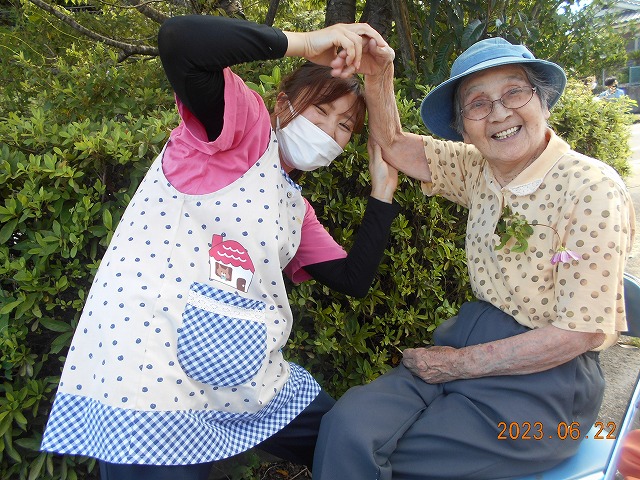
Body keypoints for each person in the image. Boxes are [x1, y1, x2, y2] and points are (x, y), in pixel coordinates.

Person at [40, 14, 398, 480]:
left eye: (345, 125)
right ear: (283, 103)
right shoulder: (243, 129)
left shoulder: (295, 208)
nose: (330, 130)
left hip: (239, 370)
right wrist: (308, 42)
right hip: (154, 374)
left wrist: (382, 191)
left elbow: (352, 278)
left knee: (342, 434)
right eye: (321, 110)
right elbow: (180, 40)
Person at [313, 37, 636, 479]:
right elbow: (394, 144)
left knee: (399, 459)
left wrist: (456, 365)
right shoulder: (479, 168)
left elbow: (578, 334)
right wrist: (379, 73)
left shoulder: (591, 188)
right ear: (463, 128)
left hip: (549, 386)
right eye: (478, 104)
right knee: (347, 430)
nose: (499, 113)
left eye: (514, 92)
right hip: (468, 340)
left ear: (544, 102)